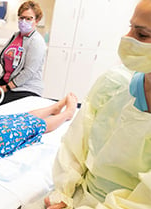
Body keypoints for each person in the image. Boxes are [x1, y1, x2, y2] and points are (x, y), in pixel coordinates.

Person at [25, 0, 151, 208]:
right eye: (130, 27)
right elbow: (77, 144)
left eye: (142, 34)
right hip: (78, 194)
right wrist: (63, 194)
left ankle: (64, 111)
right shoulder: (114, 84)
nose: (126, 38)